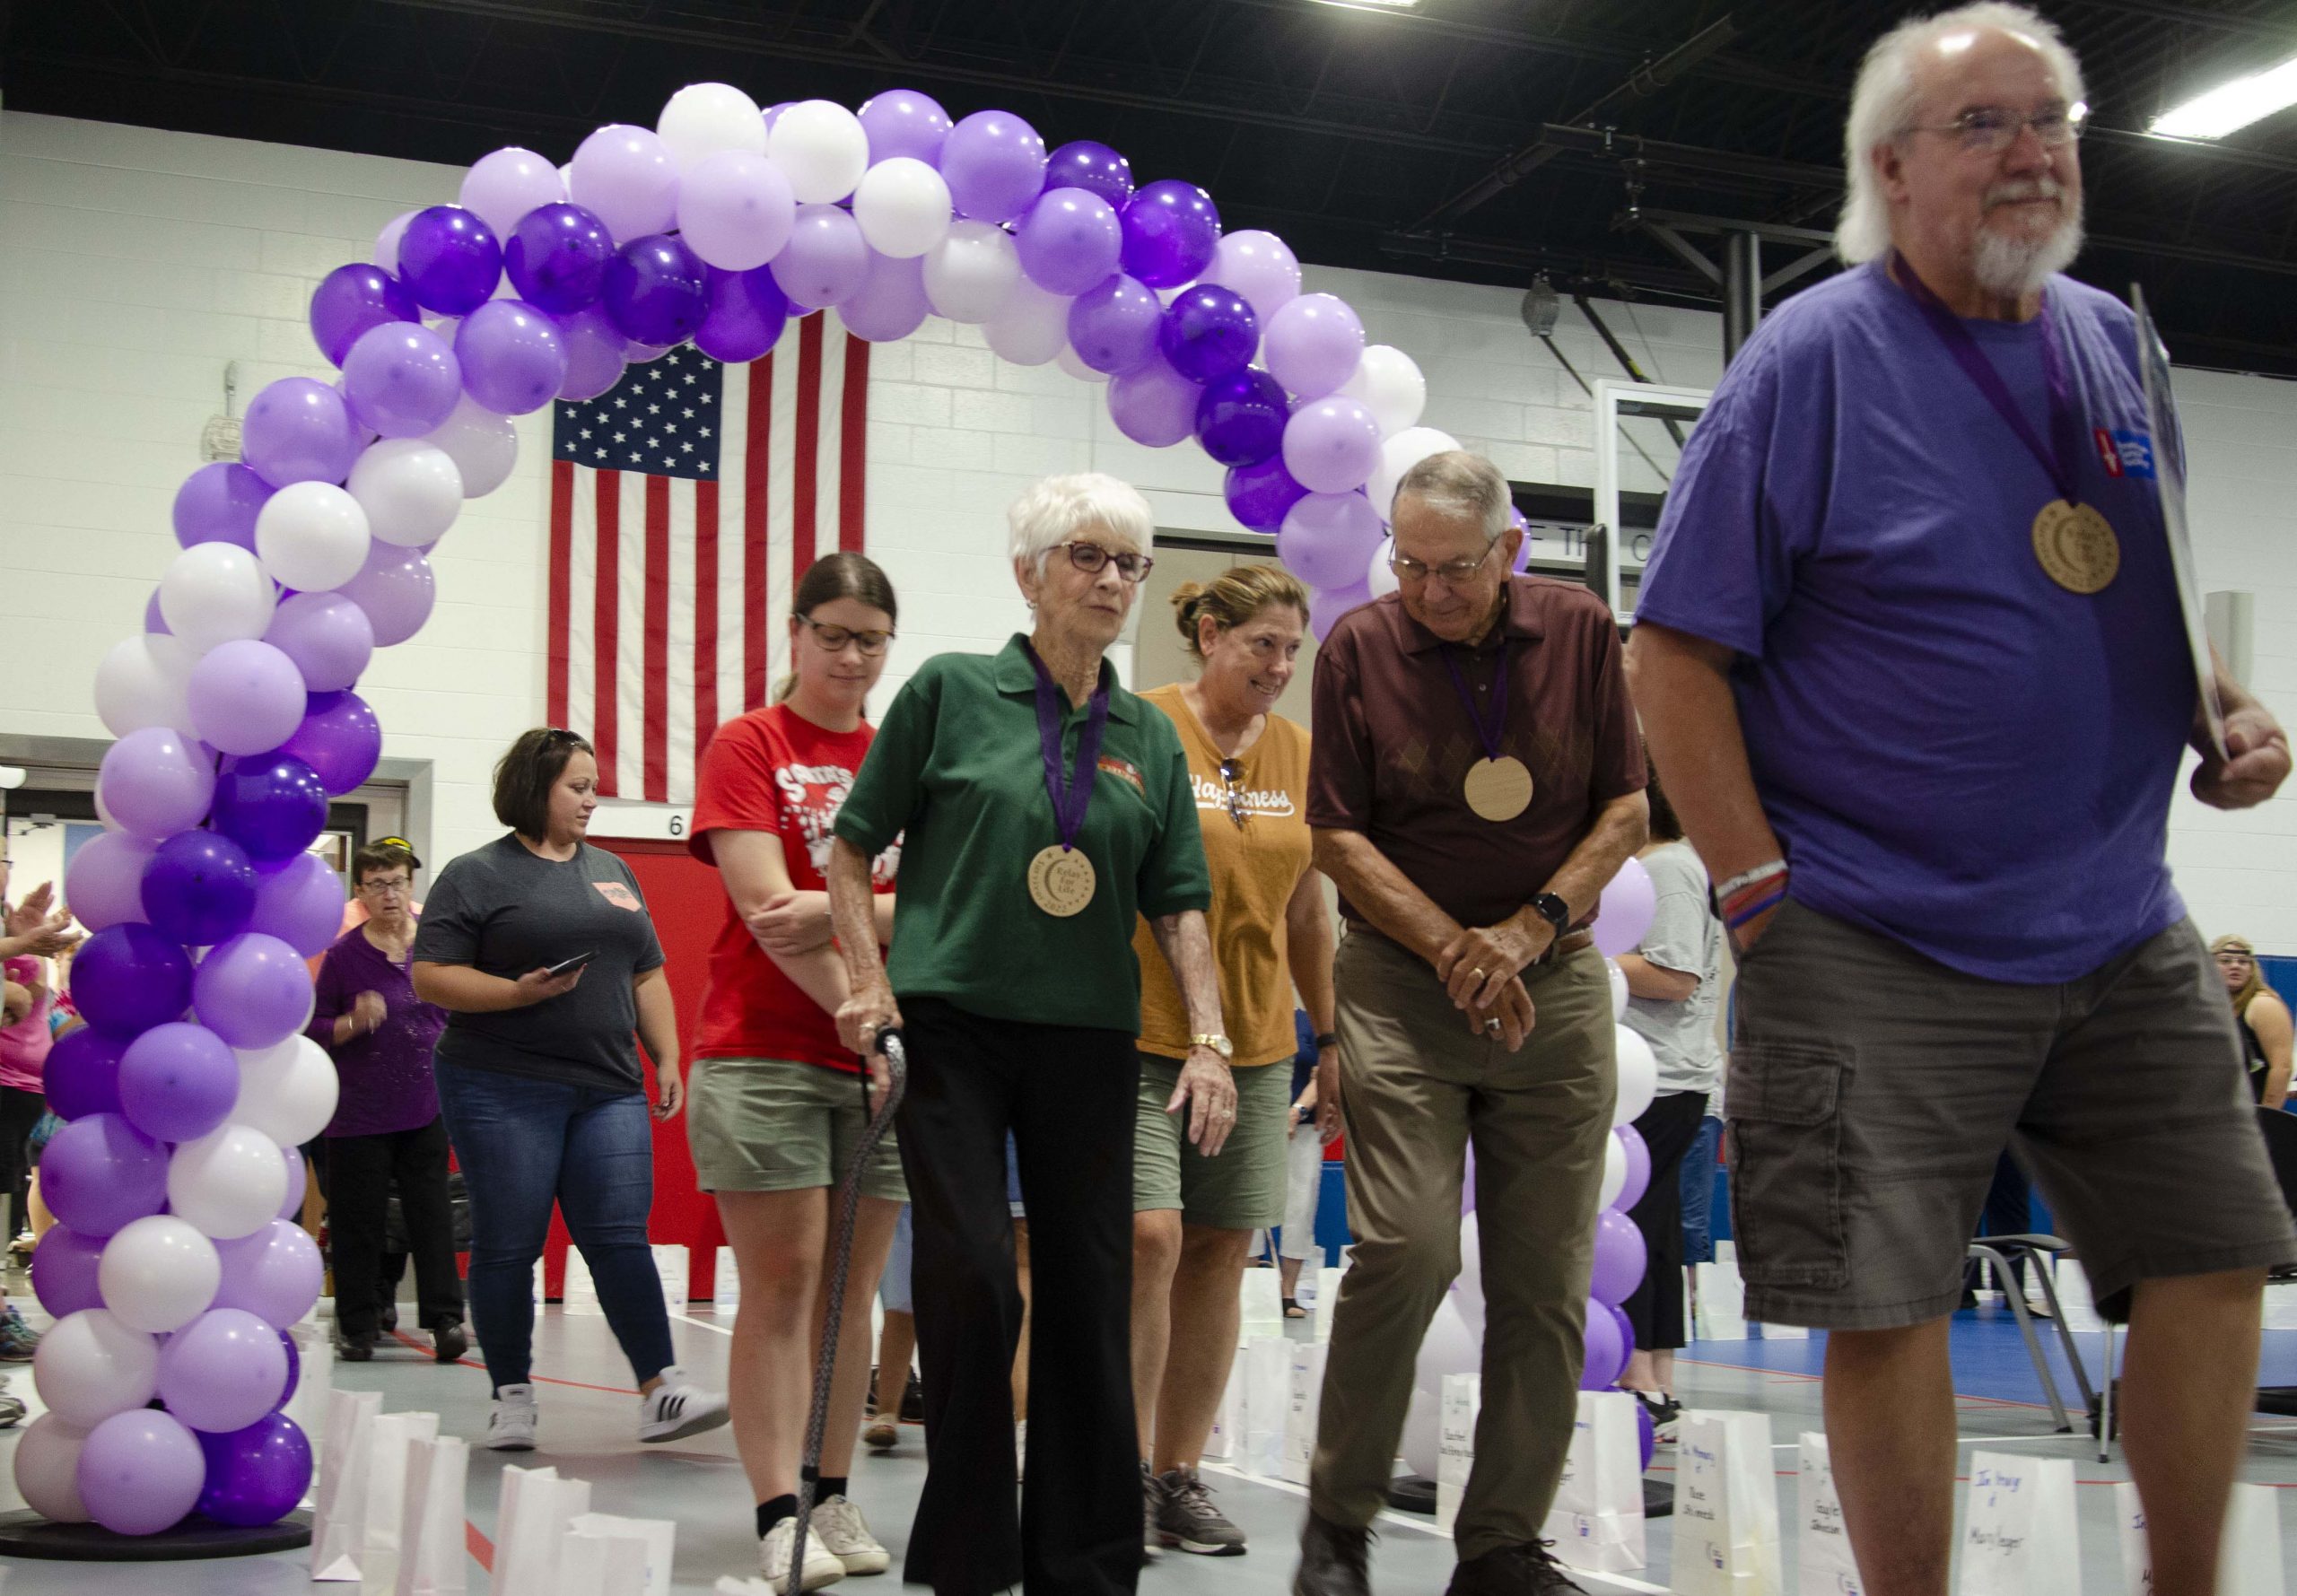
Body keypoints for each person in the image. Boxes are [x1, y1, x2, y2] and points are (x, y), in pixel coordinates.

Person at [1626, 10, 2297, 1594]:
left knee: (2218, 1247)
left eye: (2052, 120)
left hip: (2118, 909)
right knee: (1888, 1296)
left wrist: (2222, 716)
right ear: (1890, 169)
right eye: (1985, 123)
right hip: (1868, 922)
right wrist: (1751, 887)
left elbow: (2127, 595)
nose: (2033, 152)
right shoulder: (1814, 359)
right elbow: (1673, 652)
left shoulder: (2115, 342)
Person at [826, 472, 1231, 1596]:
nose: (1110, 581)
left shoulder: (1147, 733)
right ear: (1030, 575)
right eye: (1086, 558)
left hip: (1089, 1039)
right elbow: (851, 848)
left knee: (1090, 1291)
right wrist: (866, 982)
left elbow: (1179, 900)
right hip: (950, 1029)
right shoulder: (952, 692)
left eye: (1128, 564)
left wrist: (1204, 1037)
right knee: (970, 1280)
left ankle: (1087, 1562)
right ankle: (964, 1556)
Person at [1299, 449, 1646, 1596]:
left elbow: (1626, 805)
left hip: (1547, 983)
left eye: (1455, 568)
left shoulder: (1581, 630)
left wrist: (1529, 932)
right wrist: (1456, 944)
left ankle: (1499, 1544)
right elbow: (1336, 834)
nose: (1430, 591)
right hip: (1405, 984)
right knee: (1405, 1245)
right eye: (1409, 564)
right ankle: (1337, 1528)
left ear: (1508, 550)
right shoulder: (1359, 645)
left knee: (1544, 1279)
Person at [412, 728, 728, 1452]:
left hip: (608, 1086)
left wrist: (668, 1055)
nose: (591, 798)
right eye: (576, 787)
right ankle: (512, 1395)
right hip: (499, 1082)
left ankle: (661, 1390)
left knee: (619, 1236)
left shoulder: (614, 869)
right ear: (535, 788)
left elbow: (645, 971)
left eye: (593, 785)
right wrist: (514, 992)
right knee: (509, 1240)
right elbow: (431, 975)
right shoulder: (477, 874)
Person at [686, 551, 905, 1592]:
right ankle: (779, 1510)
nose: (852, 657)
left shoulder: (899, 753)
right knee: (782, 1283)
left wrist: (848, 913)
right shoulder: (750, 743)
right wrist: (865, 1006)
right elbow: (769, 912)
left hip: (880, 1059)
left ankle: (831, 1491)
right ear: (797, 631)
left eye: (871, 640)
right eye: (835, 635)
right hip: (769, 1050)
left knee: (850, 1294)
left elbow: (942, 905)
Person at [1130, 565, 1332, 1559]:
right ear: (1209, 633)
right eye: (1263, 644)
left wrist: (1327, 1038)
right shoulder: (1141, 725)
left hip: (1258, 1044)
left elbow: (1306, 909)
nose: (1281, 666)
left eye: (1293, 649)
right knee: (1148, 1238)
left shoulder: (1300, 752)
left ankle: (1177, 1474)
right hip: (1142, 1033)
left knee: (1219, 1252)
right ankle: (1112, 1470)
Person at [310, 838, 467, 1364]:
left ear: (411, 885)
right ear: (360, 892)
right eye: (377, 885)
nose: (390, 894)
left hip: (427, 1105)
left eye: (397, 882)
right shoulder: (343, 956)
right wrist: (352, 1023)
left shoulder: (436, 948)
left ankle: (445, 1320)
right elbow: (310, 1029)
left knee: (432, 1217)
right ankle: (356, 1325)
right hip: (358, 1112)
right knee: (358, 1221)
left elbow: (461, 1016)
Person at [1612, 763, 1722, 1440]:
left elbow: (1678, 975)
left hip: (1664, 1077)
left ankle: (1645, 1378)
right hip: (1650, 1073)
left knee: (1644, 1224)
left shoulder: (1670, 869)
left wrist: (1580, 952)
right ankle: (1655, 1375)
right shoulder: (1655, 867)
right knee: (1652, 1224)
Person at [1277, 1011, 1325, 1319]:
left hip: (1304, 1129)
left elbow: (1322, 1077)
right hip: (1254, 1124)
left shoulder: (1313, 1020)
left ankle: (1287, 1294)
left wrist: (1294, 1112)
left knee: (1300, 1208)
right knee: (1248, 1208)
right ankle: (1249, 1290)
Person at [862, 1204, 919, 1452]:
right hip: (900, 1203)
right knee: (900, 1309)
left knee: (950, 1313)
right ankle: (886, 1413)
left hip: (950, 1194)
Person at [2213, 936, 2291, 1110]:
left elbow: (2282, 1068)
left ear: (2252, 969)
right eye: (2225, 961)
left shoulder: (2263, 1005)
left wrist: (2268, 1117)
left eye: (2243, 961)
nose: (2235, 966)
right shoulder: (2209, 1007)